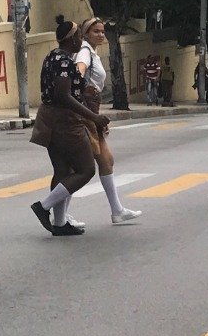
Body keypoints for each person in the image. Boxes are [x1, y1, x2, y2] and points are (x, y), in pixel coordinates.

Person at [28, 16, 109, 237]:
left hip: (49, 118)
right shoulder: (64, 62)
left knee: (62, 171)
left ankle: (60, 222)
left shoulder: (52, 56)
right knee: (85, 170)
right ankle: (44, 207)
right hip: (64, 120)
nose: (81, 40)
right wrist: (93, 116)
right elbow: (64, 96)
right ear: (71, 39)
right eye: (79, 36)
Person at [74, 17, 142, 225]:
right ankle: (52, 209)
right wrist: (81, 87)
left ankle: (116, 210)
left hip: (92, 110)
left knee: (106, 160)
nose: (101, 35)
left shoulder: (92, 51)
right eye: (96, 31)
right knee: (77, 167)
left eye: (102, 31)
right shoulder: (85, 52)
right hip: (86, 111)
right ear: (85, 34)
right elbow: (79, 71)